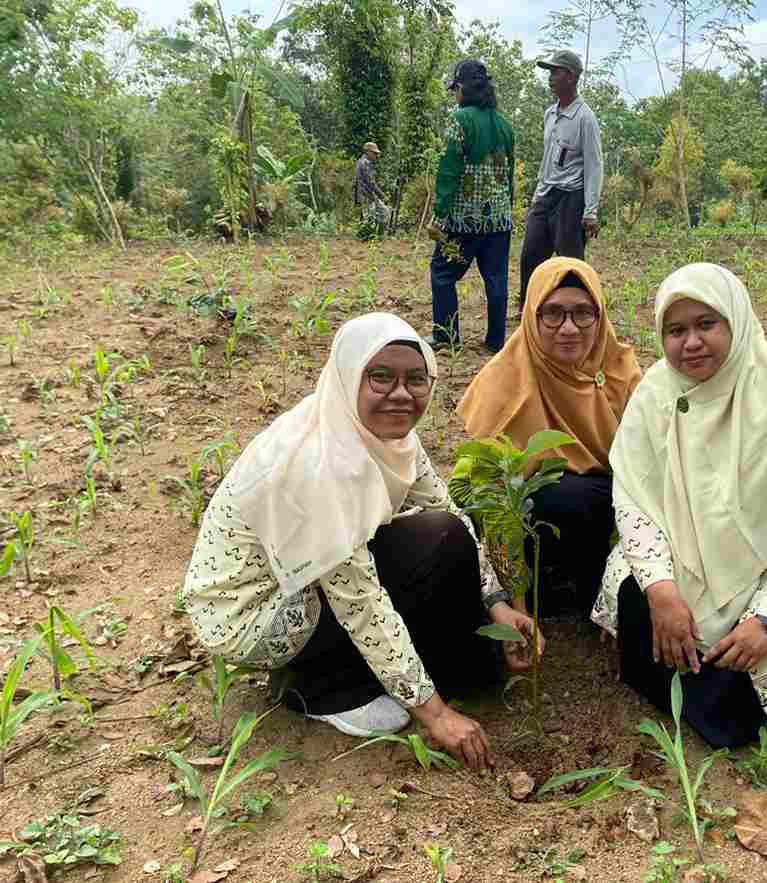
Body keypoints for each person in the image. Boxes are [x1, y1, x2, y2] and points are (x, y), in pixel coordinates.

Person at [182, 313, 541, 771]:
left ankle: (389, 672)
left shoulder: (388, 436)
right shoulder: (320, 461)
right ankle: (318, 688)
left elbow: (448, 510)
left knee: (444, 533)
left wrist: (497, 604)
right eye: (381, 377)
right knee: (419, 550)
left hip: (307, 580)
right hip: (256, 614)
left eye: (416, 379)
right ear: (349, 378)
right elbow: (361, 603)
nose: (401, 394)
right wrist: (436, 715)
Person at [592, 263, 767, 749]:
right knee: (638, 604)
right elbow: (634, 501)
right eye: (676, 330)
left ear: (736, 323)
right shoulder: (656, 393)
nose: (691, 343)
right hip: (687, 560)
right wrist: (662, 592)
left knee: (753, 705)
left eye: (707, 324)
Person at [456, 257, 641, 616]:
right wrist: (517, 599)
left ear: (600, 317)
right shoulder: (506, 379)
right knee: (565, 495)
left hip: (608, 523)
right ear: (531, 316)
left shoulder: (623, 374)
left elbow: (649, 482)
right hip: (524, 524)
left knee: (592, 496)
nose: (569, 328)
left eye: (583, 313)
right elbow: (487, 496)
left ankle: (602, 589)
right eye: (553, 313)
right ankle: (542, 591)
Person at [428, 59, 516, 354]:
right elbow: (509, 176)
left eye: (455, 89)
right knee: (496, 279)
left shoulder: (459, 119)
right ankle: (495, 341)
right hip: (499, 220)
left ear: (462, 88)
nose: (455, 95)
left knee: (442, 273)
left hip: (463, 221)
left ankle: (446, 337)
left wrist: (439, 215)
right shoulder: (505, 125)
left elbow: (449, 171)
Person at [518, 50, 603, 315]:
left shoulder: (585, 118)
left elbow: (594, 164)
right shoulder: (550, 114)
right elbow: (547, 158)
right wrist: (536, 195)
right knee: (530, 254)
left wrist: (590, 210)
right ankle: (528, 307)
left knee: (570, 262)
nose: (550, 77)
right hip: (547, 194)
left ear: (571, 76)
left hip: (571, 198)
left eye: (555, 72)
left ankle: (579, 309)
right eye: (550, 72)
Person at [354, 142, 388, 234]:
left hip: (367, 194)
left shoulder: (363, 162)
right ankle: (367, 237)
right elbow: (371, 183)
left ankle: (375, 235)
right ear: (367, 152)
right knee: (369, 217)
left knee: (381, 212)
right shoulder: (364, 163)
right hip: (366, 195)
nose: (376, 156)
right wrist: (382, 195)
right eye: (374, 153)